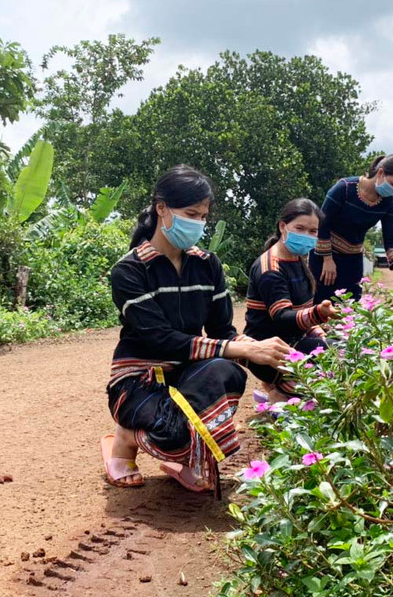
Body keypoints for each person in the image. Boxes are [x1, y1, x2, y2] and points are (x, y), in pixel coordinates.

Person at [102, 165, 292, 496]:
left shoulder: (207, 265)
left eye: (203, 216)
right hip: (139, 380)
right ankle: (127, 437)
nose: (199, 223)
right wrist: (237, 348)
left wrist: (277, 363)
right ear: (161, 208)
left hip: (186, 374)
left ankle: (188, 458)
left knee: (228, 372)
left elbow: (223, 332)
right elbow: (158, 339)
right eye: (191, 214)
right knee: (174, 435)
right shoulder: (130, 271)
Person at [244, 199, 340, 400]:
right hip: (269, 348)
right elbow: (282, 317)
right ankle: (279, 392)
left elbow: (301, 309)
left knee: (333, 345)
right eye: (300, 228)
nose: (307, 235)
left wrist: (318, 331)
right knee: (335, 355)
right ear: (282, 226)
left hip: (293, 341)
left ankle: (282, 386)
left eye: (313, 231)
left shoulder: (297, 259)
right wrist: (317, 315)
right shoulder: (271, 269)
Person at [310, 154, 393, 302]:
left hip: (353, 259)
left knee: (350, 305)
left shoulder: (389, 202)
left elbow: (392, 237)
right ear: (381, 172)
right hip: (324, 256)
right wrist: (327, 259)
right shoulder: (344, 188)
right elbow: (322, 222)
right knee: (321, 301)